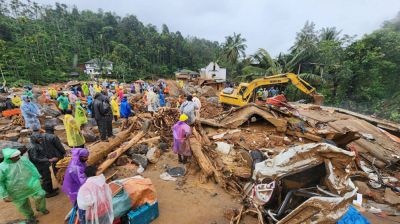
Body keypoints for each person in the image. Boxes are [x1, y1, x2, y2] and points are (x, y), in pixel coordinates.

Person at [0, 148, 49, 223]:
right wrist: (4, 195)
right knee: (22, 204)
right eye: (15, 157)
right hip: (15, 190)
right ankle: (30, 216)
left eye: (18, 155)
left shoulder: (23, 160)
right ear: (8, 158)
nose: (18, 157)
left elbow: (32, 168)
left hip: (31, 183)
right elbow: (0, 182)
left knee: (41, 194)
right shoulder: (2, 167)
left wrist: (38, 177)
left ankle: (41, 208)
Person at [28, 133, 59, 197]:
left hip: (43, 164)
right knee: (46, 178)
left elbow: (41, 154)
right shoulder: (33, 147)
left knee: (48, 177)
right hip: (40, 166)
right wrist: (49, 160)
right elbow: (35, 158)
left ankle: (50, 189)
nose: (40, 140)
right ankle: (48, 193)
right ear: (34, 139)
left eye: (40, 138)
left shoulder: (36, 144)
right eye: (39, 139)